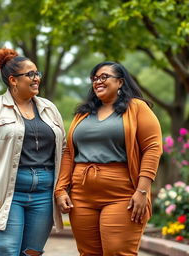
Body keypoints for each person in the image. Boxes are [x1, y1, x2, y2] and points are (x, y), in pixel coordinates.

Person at [55, 61, 163, 256]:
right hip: (82, 196)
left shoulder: (137, 108)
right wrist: (61, 189)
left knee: (118, 252)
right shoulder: (84, 113)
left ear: (120, 82)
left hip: (122, 195)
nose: (98, 81)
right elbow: (69, 152)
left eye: (104, 77)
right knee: (88, 253)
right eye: (94, 78)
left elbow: (152, 148)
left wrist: (142, 190)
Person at [0, 48, 66, 256]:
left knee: (31, 253)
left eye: (37, 73)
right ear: (13, 80)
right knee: (5, 251)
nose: (36, 78)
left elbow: (63, 147)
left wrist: (62, 187)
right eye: (30, 74)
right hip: (6, 192)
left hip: (43, 194)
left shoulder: (49, 108)